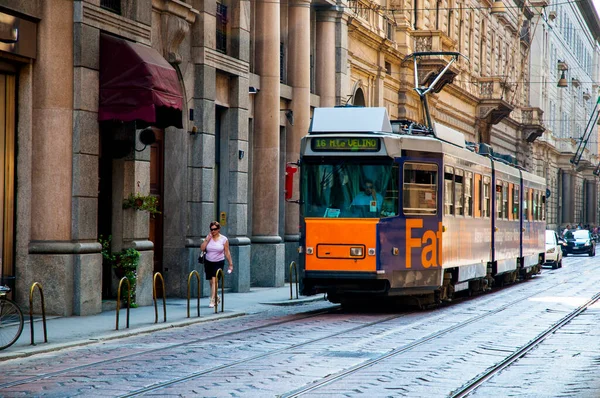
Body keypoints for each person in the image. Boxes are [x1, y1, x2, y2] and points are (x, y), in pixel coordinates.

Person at [200, 221, 234, 307]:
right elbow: (202, 248)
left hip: (218, 262)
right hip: (208, 261)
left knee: (215, 280)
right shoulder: (208, 237)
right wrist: (207, 239)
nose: (213, 231)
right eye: (211, 229)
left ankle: (212, 300)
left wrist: (230, 264)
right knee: (211, 282)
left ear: (218, 229)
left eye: (215, 229)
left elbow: (227, 252)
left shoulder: (224, 239)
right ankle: (216, 296)